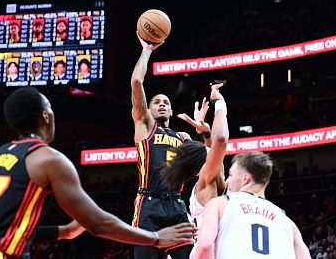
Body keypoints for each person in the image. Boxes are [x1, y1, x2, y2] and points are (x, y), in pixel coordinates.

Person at [0, 87, 195, 258]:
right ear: (46, 117)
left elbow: (2, 227)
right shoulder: (47, 158)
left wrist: (65, 232)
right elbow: (99, 224)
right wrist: (156, 238)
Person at [131, 32, 194, 259]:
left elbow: (205, 171)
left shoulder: (182, 138)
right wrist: (147, 51)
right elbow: (137, 82)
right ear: (147, 109)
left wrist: (201, 136)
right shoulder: (146, 126)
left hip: (177, 206)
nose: (161, 105)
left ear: (171, 111)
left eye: (166, 102)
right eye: (156, 101)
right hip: (149, 203)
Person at [196, 152, 311, 259]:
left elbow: (205, 246)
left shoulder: (219, 204)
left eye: (230, 175)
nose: (227, 181)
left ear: (245, 178)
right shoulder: (288, 222)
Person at [160, 83, 229, 258]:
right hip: (211, 251)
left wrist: (205, 132)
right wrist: (219, 103)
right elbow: (220, 140)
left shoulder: (204, 184)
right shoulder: (207, 182)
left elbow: (210, 149)